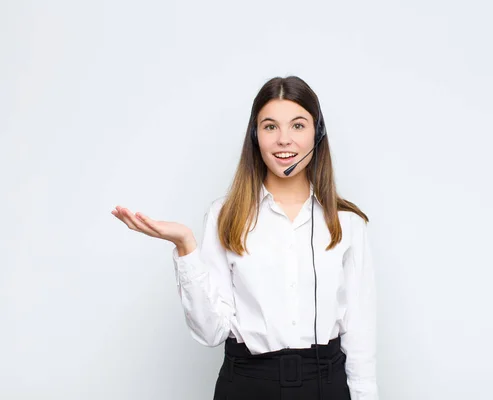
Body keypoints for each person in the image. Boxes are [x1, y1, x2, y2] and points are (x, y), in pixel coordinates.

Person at [111, 76, 378, 399]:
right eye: (270, 127)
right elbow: (211, 333)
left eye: (297, 126)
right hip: (247, 384)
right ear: (255, 136)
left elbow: (360, 337)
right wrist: (186, 248)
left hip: (325, 383)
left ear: (317, 133)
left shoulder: (347, 223)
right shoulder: (225, 217)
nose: (283, 140)